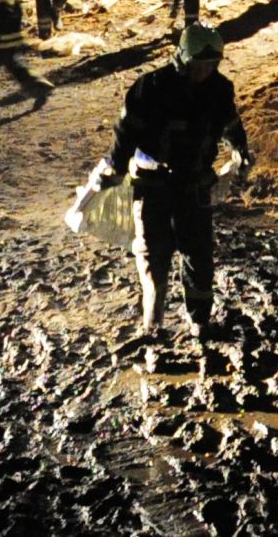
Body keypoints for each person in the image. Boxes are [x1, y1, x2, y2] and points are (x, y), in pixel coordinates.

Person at [90, 23, 248, 339]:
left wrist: (241, 151)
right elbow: (126, 134)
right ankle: (153, 323)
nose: (204, 70)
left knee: (199, 255)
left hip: (194, 185)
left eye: (210, 64)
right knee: (151, 253)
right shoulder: (150, 87)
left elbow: (229, 123)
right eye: (198, 64)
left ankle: (199, 321)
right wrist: (115, 169)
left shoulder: (220, 89)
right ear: (182, 57)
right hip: (153, 186)